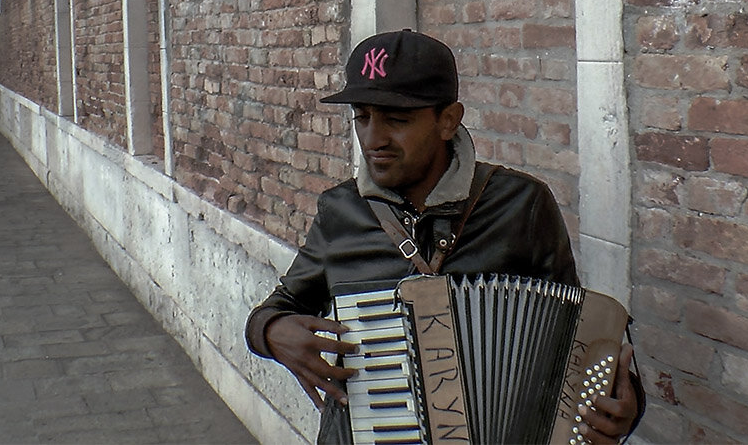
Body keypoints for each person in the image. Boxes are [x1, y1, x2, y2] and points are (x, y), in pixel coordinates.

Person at [245, 30, 643, 444]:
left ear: (448, 120)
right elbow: (277, 308)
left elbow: (575, 341)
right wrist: (270, 332)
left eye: (396, 120)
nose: (374, 139)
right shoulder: (341, 211)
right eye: (362, 117)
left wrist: (624, 407)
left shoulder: (520, 205)